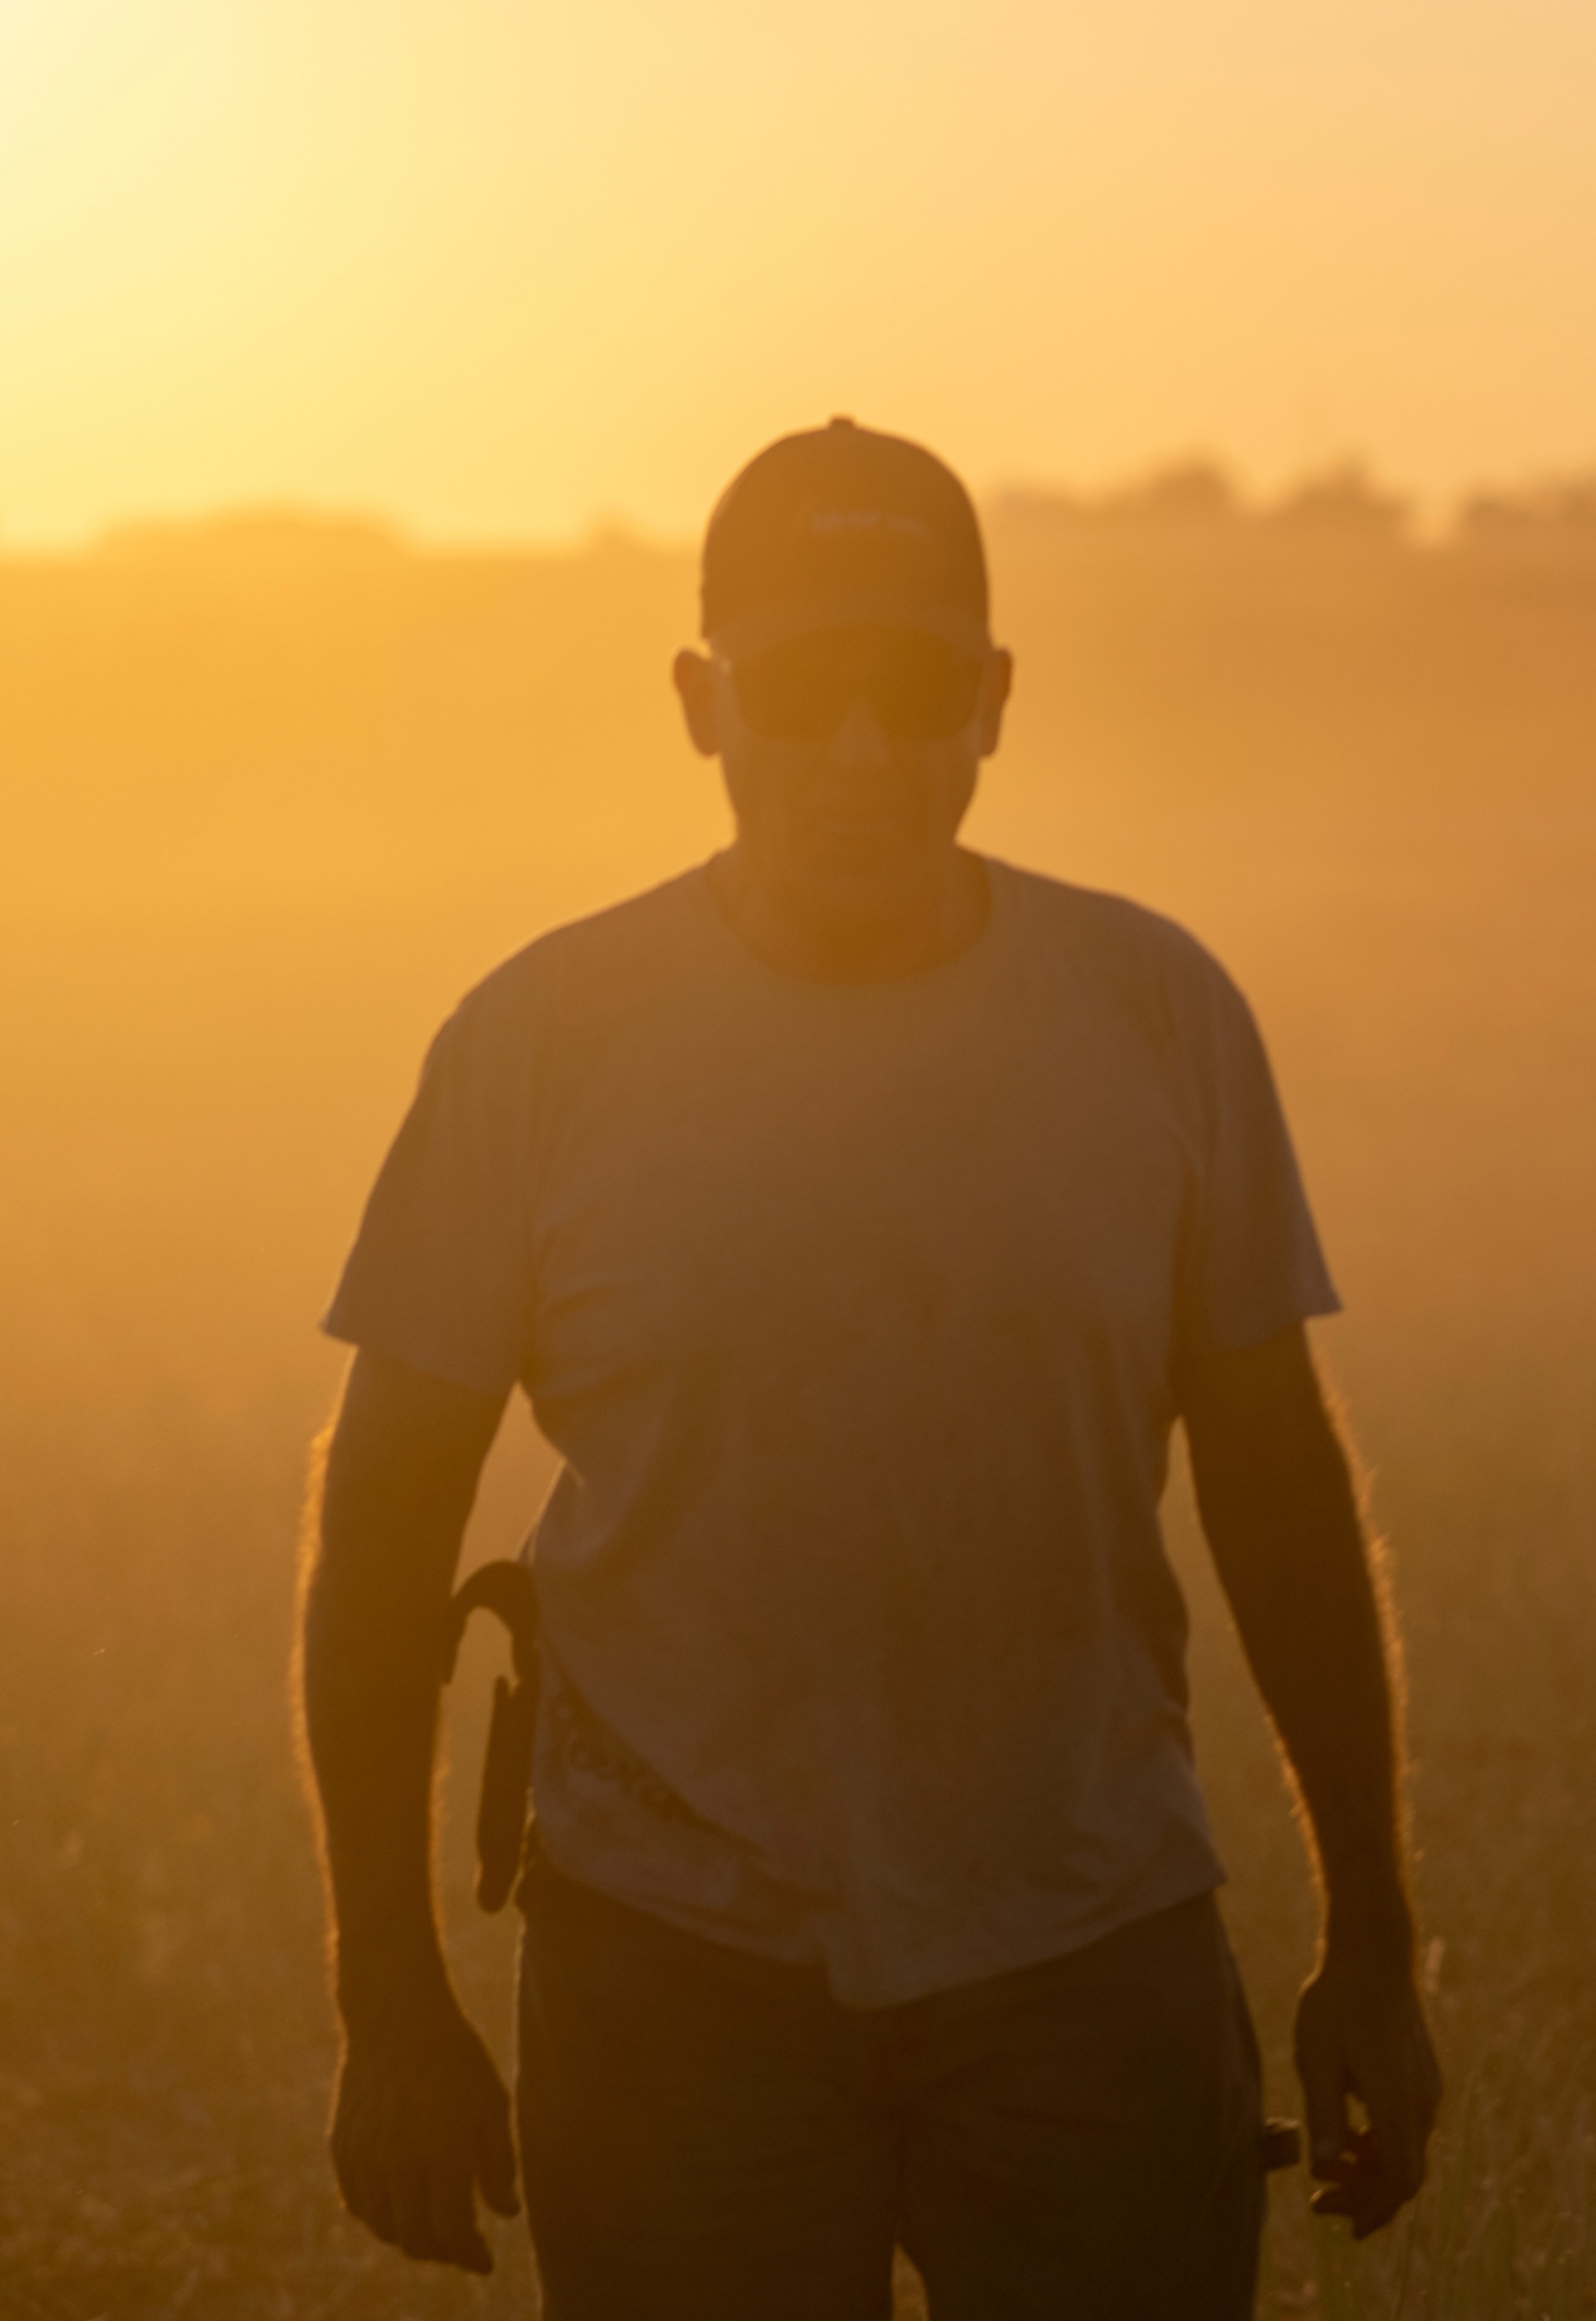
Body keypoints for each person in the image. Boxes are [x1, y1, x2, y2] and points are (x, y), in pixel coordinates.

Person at [296, 417, 1439, 2316]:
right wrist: (388, 1999)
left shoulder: (1158, 1017)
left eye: (915, 691)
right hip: (670, 1967)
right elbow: (381, 1530)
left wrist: (1378, 1948)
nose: (859, 752)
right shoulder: (536, 1046)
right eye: (799, 689)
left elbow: (1279, 1487)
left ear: (994, 702)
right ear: (697, 702)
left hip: (1091, 1943)